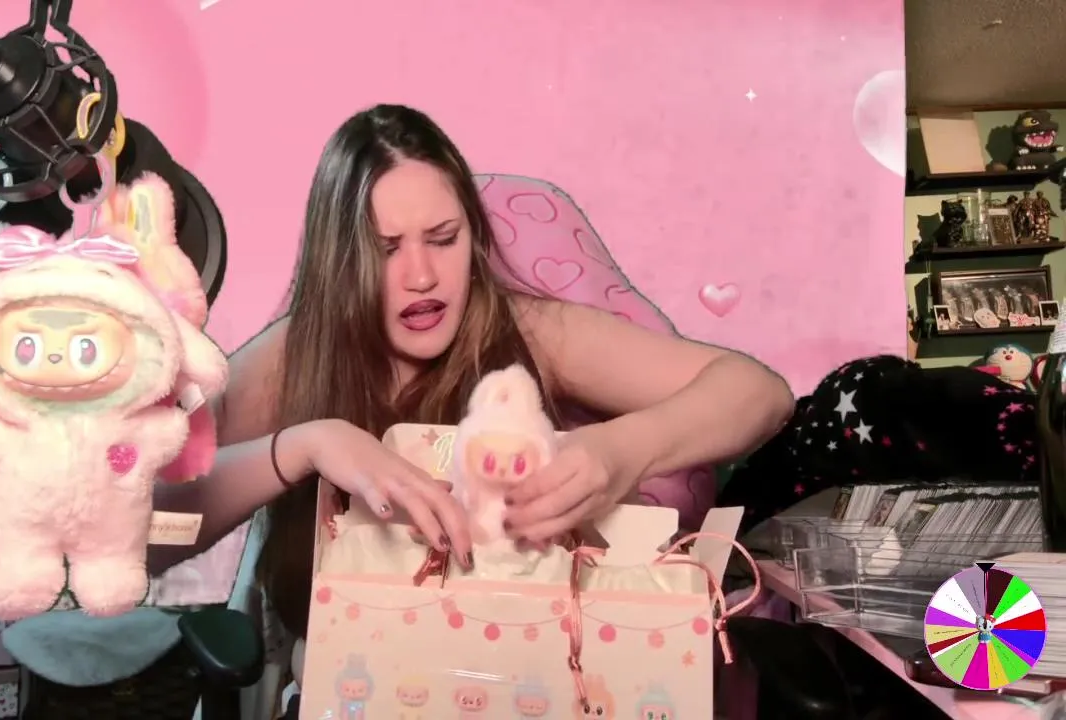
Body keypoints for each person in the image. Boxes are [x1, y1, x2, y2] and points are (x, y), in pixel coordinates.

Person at [151, 104, 794, 713]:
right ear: (338, 260)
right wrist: (301, 447)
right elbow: (142, 536)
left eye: (443, 239)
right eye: (386, 249)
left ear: (475, 237)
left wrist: (624, 450)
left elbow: (761, 393)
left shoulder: (529, 332)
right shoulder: (296, 356)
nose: (422, 276)